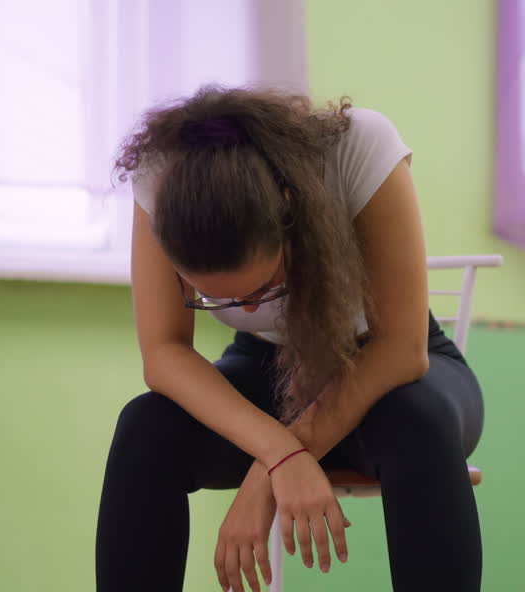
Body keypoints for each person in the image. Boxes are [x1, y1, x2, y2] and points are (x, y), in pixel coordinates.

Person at [96, 86, 484, 592]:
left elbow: (402, 349)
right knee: (145, 426)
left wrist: (270, 468)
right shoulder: (162, 181)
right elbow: (165, 354)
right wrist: (280, 453)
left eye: (263, 288)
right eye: (221, 300)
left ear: (289, 214)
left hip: (388, 375)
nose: (253, 310)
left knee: (419, 417)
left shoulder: (357, 147)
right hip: (265, 370)